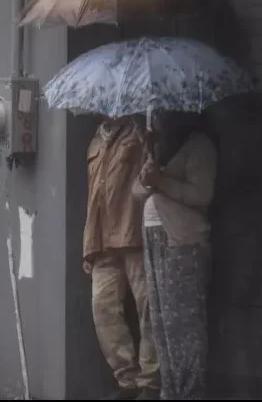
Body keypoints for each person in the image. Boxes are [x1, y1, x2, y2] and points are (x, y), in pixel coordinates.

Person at [133, 111, 217, 400]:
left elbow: (202, 195)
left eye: (160, 114)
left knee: (184, 325)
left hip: (183, 244)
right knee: (162, 324)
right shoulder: (158, 149)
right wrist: (148, 168)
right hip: (155, 242)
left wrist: (160, 180)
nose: (155, 120)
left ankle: (191, 392)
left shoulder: (198, 145)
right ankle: (171, 391)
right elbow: (136, 192)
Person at [84, 116, 160, 401]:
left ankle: (150, 382)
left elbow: (151, 174)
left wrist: (149, 140)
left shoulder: (140, 132)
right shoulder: (96, 139)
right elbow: (92, 197)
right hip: (103, 241)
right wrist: (88, 245)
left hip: (134, 235)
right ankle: (127, 379)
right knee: (102, 307)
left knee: (148, 309)